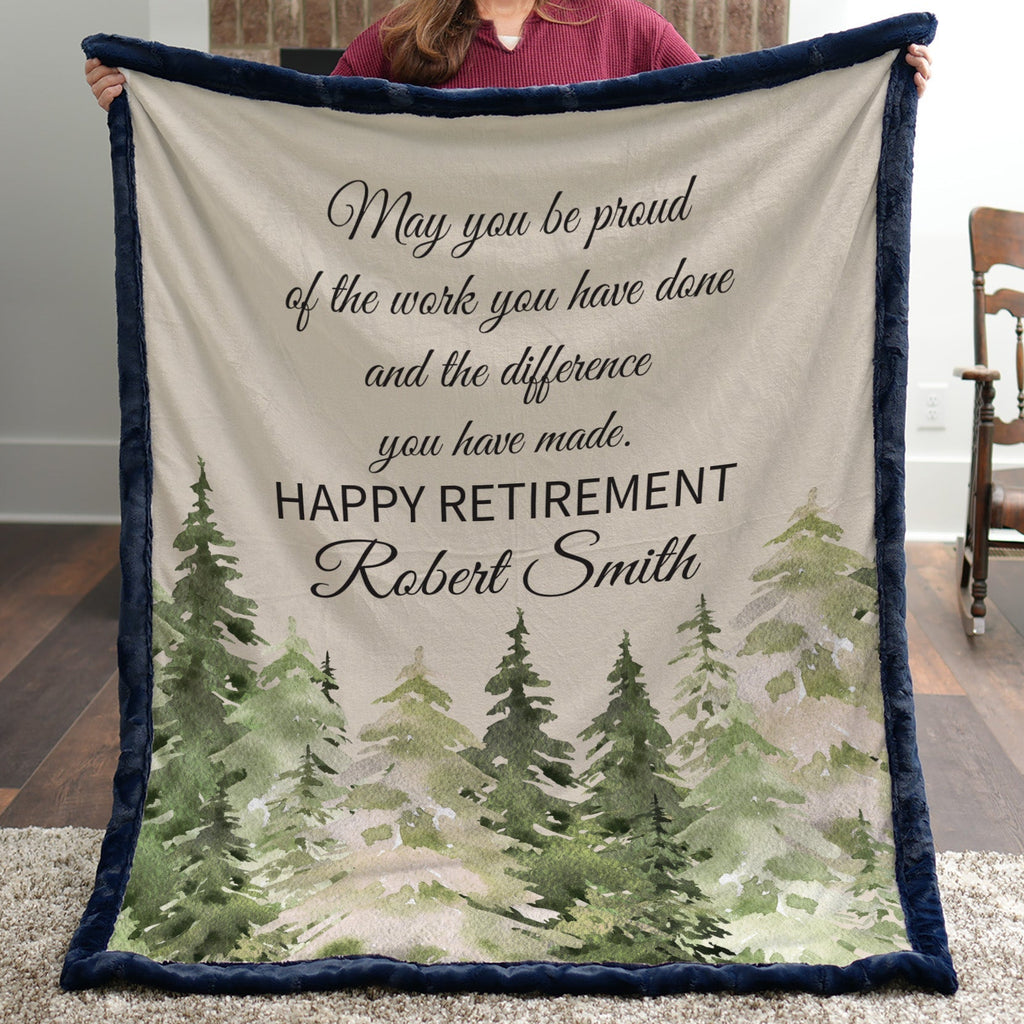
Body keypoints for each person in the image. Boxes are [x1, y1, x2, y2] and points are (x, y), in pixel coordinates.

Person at [84, 0, 932, 105]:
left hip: (592, 314)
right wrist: (154, 104)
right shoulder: (394, 34)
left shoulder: (628, 25)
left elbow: (739, 112)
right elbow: (291, 127)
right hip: (437, 321)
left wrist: (869, 92)